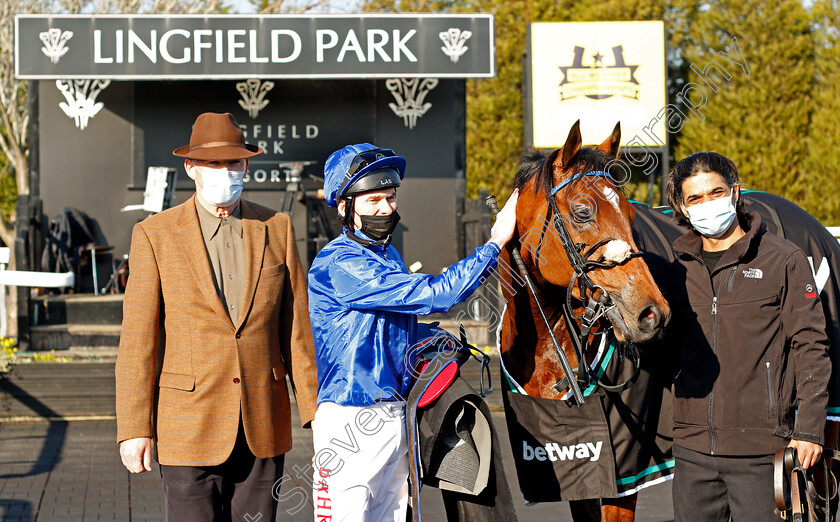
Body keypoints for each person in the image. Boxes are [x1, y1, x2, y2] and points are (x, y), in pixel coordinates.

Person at [115, 112, 319, 522]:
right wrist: (135, 427)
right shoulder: (155, 234)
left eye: (232, 162)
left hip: (263, 421)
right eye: (213, 163)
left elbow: (297, 329)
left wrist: (316, 412)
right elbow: (139, 339)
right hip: (188, 424)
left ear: (246, 165)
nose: (224, 171)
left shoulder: (276, 227)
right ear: (191, 167)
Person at [307, 143, 518, 521]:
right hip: (350, 422)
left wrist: (431, 339)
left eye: (389, 197)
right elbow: (436, 294)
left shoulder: (387, 256)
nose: (386, 209)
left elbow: (383, 329)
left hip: (394, 416)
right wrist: (494, 243)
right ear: (344, 207)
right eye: (373, 201)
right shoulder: (339, 261)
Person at [665, 151, 831, 521]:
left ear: (735, 192)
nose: (707, 204)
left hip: (763, 452)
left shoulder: (783, 259)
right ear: (681, 206)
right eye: (695, 198)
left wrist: (809, 430)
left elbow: (811, 346)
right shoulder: (674, 270)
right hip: (693, 455)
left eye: (716, 192)